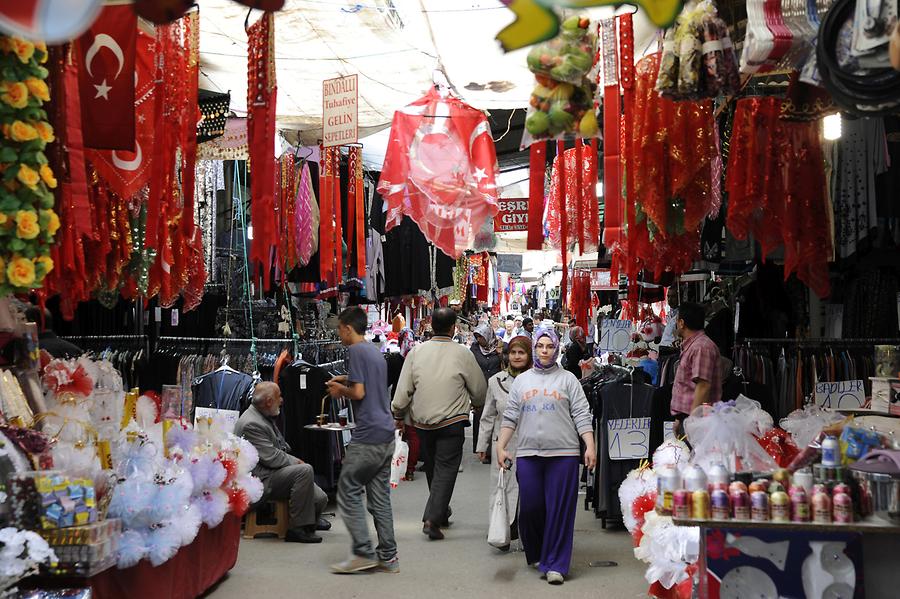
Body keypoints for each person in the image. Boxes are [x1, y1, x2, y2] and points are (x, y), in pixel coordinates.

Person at [496, 328, 596, 585]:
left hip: (564, 454)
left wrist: (590, 446)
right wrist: (501, 445)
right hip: (529, 454)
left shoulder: (568, 380)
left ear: (556, 348)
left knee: (560, 510)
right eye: (539, 346)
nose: (544, 350)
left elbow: (582, 415)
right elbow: (510, 417)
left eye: (549, 346)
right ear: (534, 350)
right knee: (531, 508)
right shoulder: (522, 381)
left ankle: (557, 564)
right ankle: (539, 552)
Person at [392, 307, 487, 540]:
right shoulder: (462, 354)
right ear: (454, 328)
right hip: (452, 421)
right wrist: (478, 403)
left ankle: (441, 512)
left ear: (431, 326)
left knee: (435, 468)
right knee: (445, 468)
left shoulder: (416, 352)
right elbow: (479, 389)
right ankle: (432, 519)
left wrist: (398, 414)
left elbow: (404, 389)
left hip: (422, 422)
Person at [325, 307, 398, 574]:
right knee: (379, 498)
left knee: (348, 488)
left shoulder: (354, 351)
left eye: (339, 329)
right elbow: (370, 382)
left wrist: (339, 389)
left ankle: (363, 552)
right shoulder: (373, 352)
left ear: (346, 327)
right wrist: (346, 378)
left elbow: (358, 392)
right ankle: (389, 556)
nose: (339, 333)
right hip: (386, 432)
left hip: (368, 435)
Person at [234, 382, 329, 543]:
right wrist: (295, 462)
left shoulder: (261, 415)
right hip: (261, 478)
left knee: (321, 499)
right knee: (304, 470)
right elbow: (271, 457)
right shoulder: (252, 423)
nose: (282, 400)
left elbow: (279, 448)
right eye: (279, 397)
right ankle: (298, 528)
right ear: (269, 401)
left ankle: (309, 519)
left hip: (270, 472)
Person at [476, 335, 532, 550]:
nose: (517, 357)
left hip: (530, 443)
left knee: (528, 489)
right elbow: (488, 415)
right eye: (513, 352)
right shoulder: (496, 381)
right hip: (503, 446)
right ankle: (501, 533)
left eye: (522, 352)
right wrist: (482, 445)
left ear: (528, 355)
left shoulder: (537, 380)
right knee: (501, 488)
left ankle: (528, 534)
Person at [670, 302, 723, 435]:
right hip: (688, 419)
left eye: (677, 321)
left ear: (681, 323)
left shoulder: (701, 347)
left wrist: (692, 423)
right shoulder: (693, 346)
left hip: (697, 422)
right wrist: (679, 419)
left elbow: (703, 386)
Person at [471, 323, 503, 463]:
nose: (479, 340)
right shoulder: (475, 349)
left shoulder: (501, 347)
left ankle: (496, 448)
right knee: (482, 417)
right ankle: (483, 448)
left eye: (481, 337)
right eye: (477, 337)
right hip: (481, 387)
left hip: (499, 386)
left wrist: (501, 354)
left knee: (497, 417)